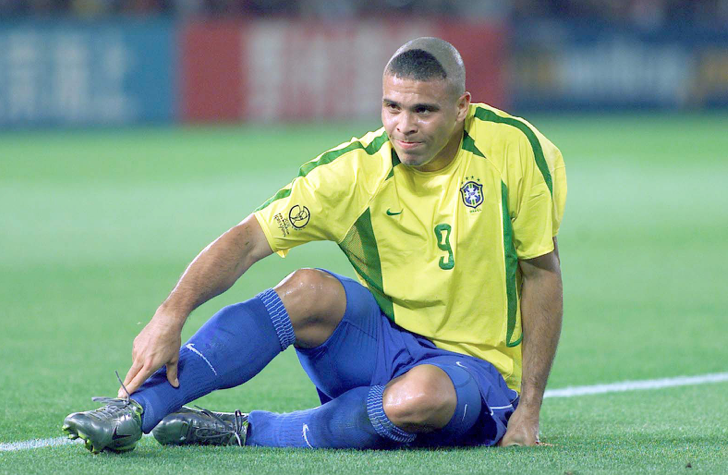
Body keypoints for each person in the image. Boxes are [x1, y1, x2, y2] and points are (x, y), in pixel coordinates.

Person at [62, 36, 566, 453]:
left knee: (419, 397)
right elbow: (247, 239)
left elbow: (542, 274)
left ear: (462, 108)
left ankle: (247, 430)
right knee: (305, 287)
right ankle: (132, 409)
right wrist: (170, 314)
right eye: (392, 107)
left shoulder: (515, 151)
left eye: (423, 111)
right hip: (383, 344)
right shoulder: (354, 171)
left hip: (475, 372)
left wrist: (530, 410)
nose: (403, 126)